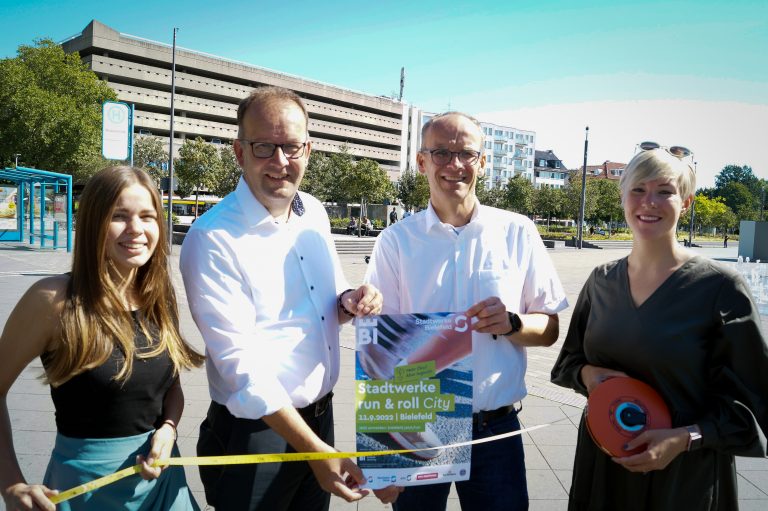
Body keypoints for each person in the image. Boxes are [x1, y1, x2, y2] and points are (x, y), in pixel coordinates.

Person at [180, 86, 392, 510]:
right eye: (264, 147)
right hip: (255, 436)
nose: (280, 161)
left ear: (308, 149)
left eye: (292, 147)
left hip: (319, 421)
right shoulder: (212, 238)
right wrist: (318, 452)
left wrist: (352, 300)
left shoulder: (312, 211)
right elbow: (242, 370)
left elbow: (329, 301)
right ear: (239, 153)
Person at [364, 111, 568, 511]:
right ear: (421, 162)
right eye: (441, 152)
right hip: (420, 425)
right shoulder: (396, 242)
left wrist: (512, 323)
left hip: (494, 429)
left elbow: (549, 328)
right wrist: (381, 453)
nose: (454, 165)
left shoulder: (517, 231)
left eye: (466, 154)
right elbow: (381, 350)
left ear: (483, 162)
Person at [551, 144, 768, 510]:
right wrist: (588, 374)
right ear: (623, 196)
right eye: (638, 189)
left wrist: (685, 438)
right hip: (604, 466)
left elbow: (752, 404)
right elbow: (568, 362)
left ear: (685, 202)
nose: (648, 202)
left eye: (664, 191)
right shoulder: (601, 280)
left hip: (684, 476)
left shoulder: (720, 287)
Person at [0, 166, 204, 511]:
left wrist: (168, 429)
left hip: (163, 489)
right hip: (84, 491)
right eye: (119, 216)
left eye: (148, 216)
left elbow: (170, 387)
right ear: (94, 223)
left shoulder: (158, 295)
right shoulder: (53, 299)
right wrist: (11, 484)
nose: (137, 229)